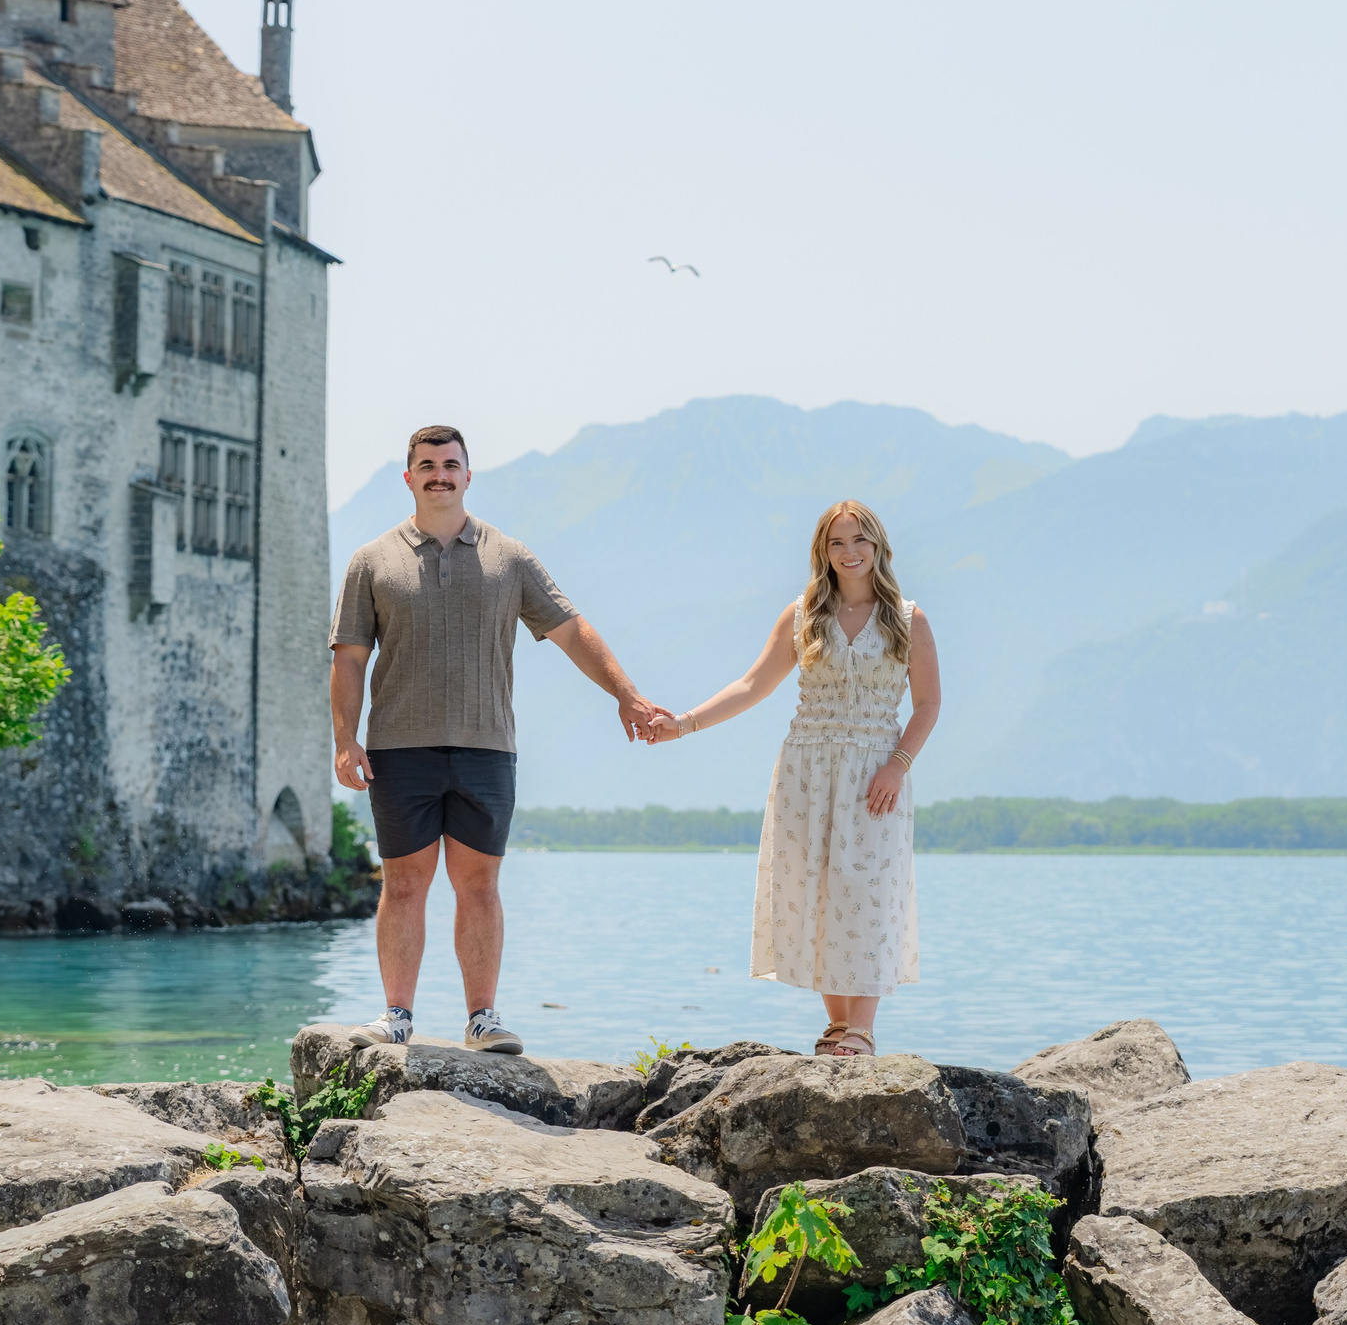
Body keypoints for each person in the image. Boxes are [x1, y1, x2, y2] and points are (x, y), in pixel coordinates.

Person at [330, 425, 668, 1053]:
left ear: (467, 474)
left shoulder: (509, 558)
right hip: (399, 749)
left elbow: (571, 630)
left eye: (450, 464)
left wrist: (625, 694)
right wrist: (346, 740)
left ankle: (482, 1019)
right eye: (427, 465)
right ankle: (396, 1015)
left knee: (478, 885)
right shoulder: (371, 561)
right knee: (403, 883)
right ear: (408, 478)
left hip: (488, 750)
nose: (439, 474)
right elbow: (349, 657)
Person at [646, 500, 940, 1055]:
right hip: (806, 767)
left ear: (878, 547)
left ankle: (862, 1029)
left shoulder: (906, 618)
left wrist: (898, 765)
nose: (849, 553)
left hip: (877, 769)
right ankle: (835, 1025)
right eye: (837, 543)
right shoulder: (803, 615)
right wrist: (682, 725)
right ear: (821, 553)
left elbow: (928, 704)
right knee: (817, 890)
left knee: (868, 890)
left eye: (860, 541)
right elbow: (752, 685)